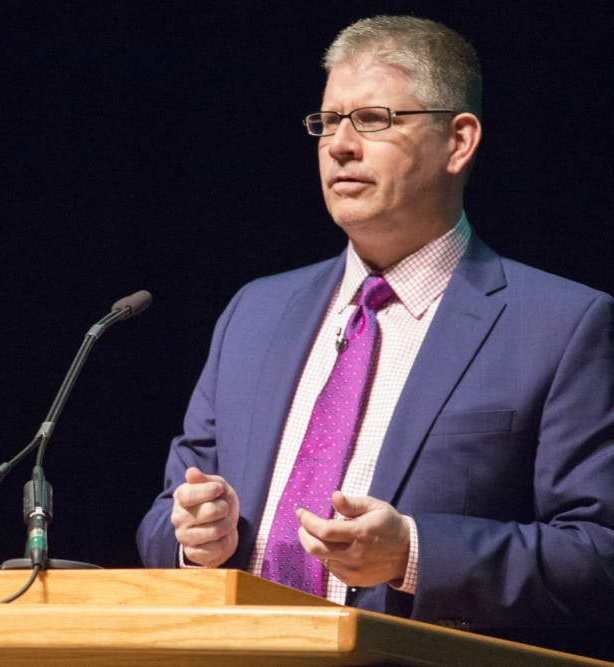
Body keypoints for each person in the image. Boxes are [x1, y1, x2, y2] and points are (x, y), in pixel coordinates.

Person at [136, 15, 614, 658]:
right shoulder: (255, 312)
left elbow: (599, 553)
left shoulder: (560, 326)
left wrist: (414, 553)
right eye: (329, 121)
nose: (339, 145)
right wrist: (196, 540)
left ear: (458, 141)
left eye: (373, 120)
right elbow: (165, 515)